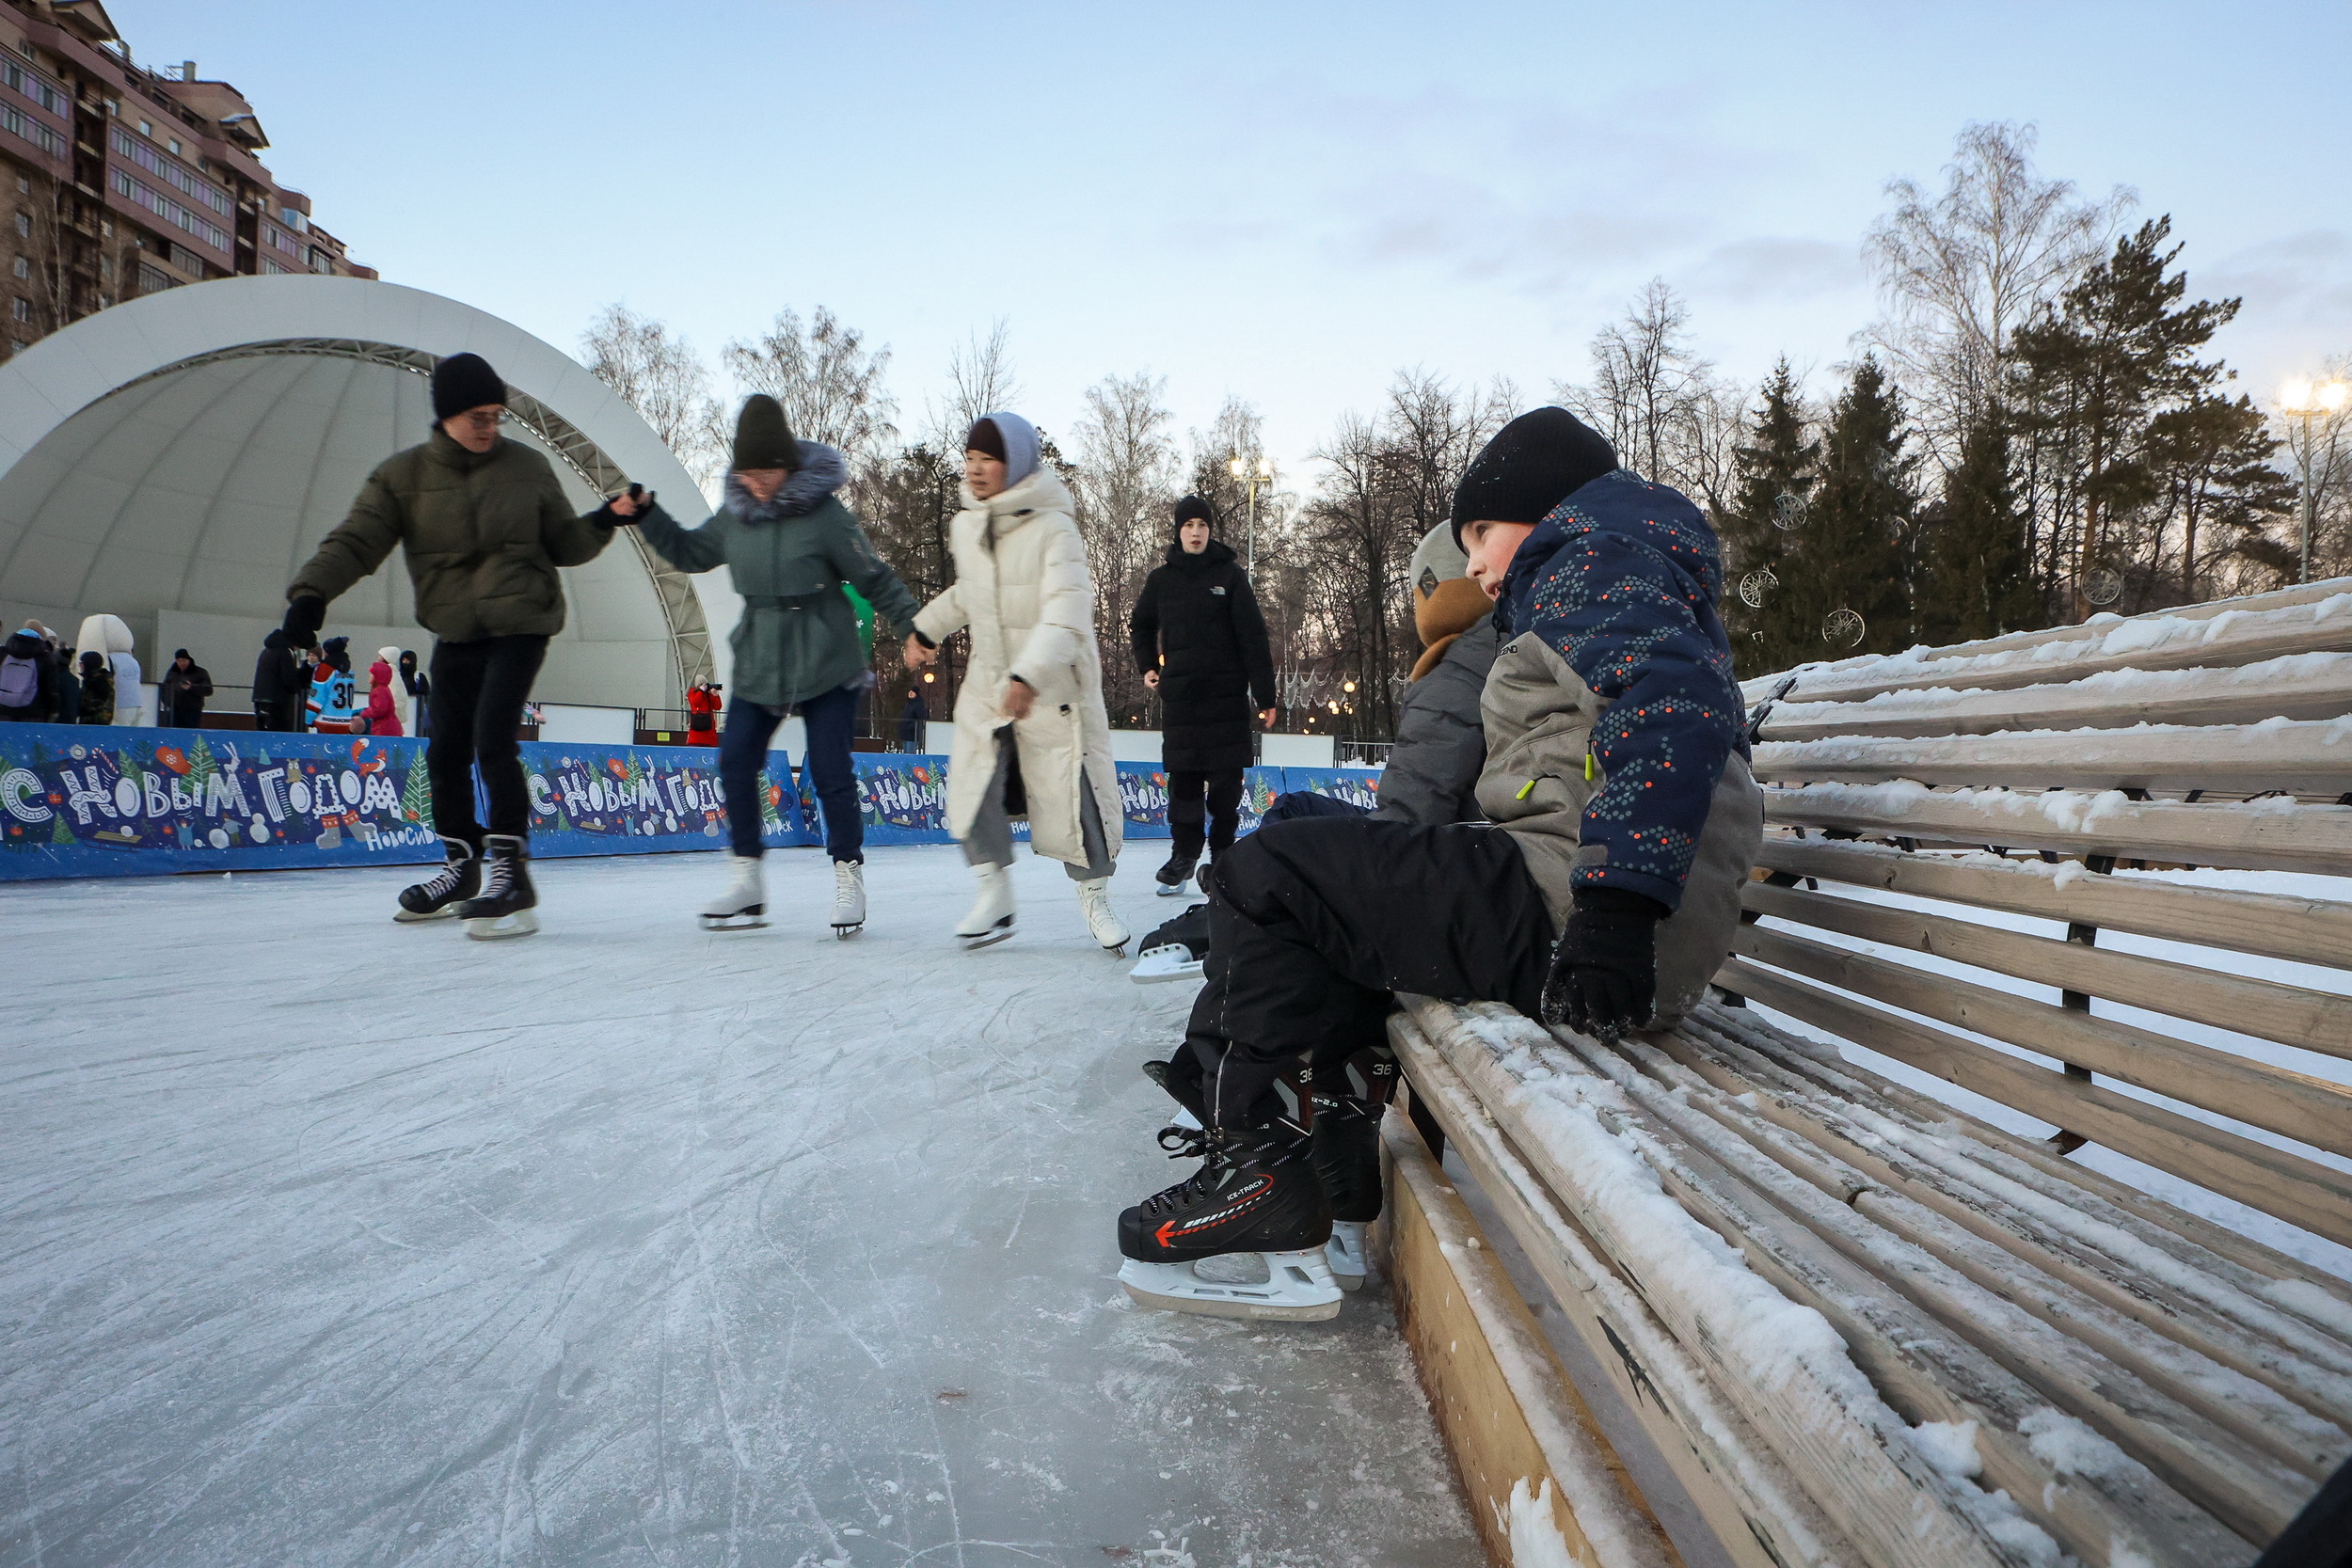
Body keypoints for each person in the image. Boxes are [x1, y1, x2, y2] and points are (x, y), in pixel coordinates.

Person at [1115, 407, 1765, 1322]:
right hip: (1568, 887)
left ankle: (1257, 1168)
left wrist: (1618, 910)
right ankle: (1322, 1157)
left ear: (1545, 510)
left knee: (1275, 872)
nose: (1472, 564)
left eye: (1481, 535)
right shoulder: (1608, 567)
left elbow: (1668, 711)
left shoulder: (1601, 562)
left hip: (1587, 911)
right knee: (1297, 858)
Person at [280, 350, 634, 937]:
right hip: (457, 630)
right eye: (479, 417)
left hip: (523, 620)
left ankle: (509, 871)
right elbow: (357, 539)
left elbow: (565, 544)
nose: (490, 427)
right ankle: (462, 866)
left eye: (497, 415)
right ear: (446, 415)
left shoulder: (526, 467)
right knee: (444, 750)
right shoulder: (403, 478)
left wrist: (605, 518)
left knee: (493, 739)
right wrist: (311, 595)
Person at [624, 395, 919, 937]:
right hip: (762, 655)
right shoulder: (735, 517)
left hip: (826, 654)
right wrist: (648, 515)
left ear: (788, 465)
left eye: (769, 470)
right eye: (749, 471)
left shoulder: (826, 515)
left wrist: (912, 627)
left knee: (830, 769)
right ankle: (747, 880)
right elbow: (691, 553)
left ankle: (848, 874)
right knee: (735, 759)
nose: (759, 481)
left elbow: (874, 577)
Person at [904, 412, 1129, 954]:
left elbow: (1067, 613)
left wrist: (1029, 675)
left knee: (1075, 799)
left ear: (1018, 463)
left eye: (989, 459)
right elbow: (969, 593)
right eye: (971, 459)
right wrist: (924, 629)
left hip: (1053, 689)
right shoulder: (969, 524)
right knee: (973, 784)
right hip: (989, 682)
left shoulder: (1055, 528)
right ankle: (993, 892)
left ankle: (1095, 898)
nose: (976, 470)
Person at [1130, 496, 1277, 897]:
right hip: (1182, 702)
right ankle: (1184, 855)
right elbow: (1140, 626)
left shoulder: (1229, 577)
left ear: (1211, 531)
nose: (1195, 532)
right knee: (1185, 788)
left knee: (1227, 789)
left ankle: (1224, 859)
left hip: (1226, 700)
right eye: (1188, 525)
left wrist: (1266, 697)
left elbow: (1253, 638)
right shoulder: (1162, 580)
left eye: (1202, 525)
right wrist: (1149, 667)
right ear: (1178, 531)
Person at [252, 630, 306, 731]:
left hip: (259, 697)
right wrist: (296, 688)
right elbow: (288, 676)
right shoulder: (285, 653)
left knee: (262, 729)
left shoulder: (266, 651)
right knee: (279, 729)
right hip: (277, 699)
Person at [308, 637, 358, 734]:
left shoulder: (324, 669)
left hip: (326, 722)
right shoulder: (350, 672)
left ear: (328, 651)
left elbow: (317, 697)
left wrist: (308, 719)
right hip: (344, 722)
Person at [157, 649, 213, 729]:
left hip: (192, 712)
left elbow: (208, 690)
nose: (181, 663)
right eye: (179, 660)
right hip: (174, 711)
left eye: (184, 660)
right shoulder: (172, 673)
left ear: (189, 660)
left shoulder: (200, 672)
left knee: (190, 734)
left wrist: (191, 688)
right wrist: (167, 702)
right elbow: (164, 688)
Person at [359, 656, 404, 736]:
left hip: (384, 729)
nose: (369, 676)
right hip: (388, 727)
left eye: (372, 674)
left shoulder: (379, 691)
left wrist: (364, 713)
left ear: (377, 676)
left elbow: (379, 710)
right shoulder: (383, 689)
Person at [397, 649, 431, 738]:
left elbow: (426, 694)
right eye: (403, 660)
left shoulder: (419, 676)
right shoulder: (397, 676)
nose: (405, 663)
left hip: (417, 712)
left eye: (408, 660)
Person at [77, 650, 114, 724]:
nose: (80, 665)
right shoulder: (103, 678)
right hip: (100, 723)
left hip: (93, 723)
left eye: (81, 663)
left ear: (88, 664)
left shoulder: (95, 681)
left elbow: (89, 705)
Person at [685, 680, 719, 744]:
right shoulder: (693, 693)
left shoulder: (709, 695)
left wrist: (715, 695)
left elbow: (717, 707)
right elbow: (696, 702)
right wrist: (701, 691)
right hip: (696, 735)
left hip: (709, 733)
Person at [897, 686, 929, 752]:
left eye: (912, 692)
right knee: (906, 753)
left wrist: (911, 726)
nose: (910, 694)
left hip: (912, 734)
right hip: (905, 733)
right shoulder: (908, 704)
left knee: (909, 753)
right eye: (910, 692)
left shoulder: (918, 704)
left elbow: (921, 718)